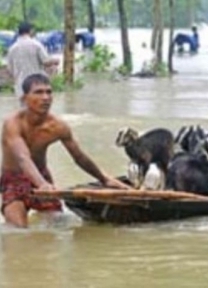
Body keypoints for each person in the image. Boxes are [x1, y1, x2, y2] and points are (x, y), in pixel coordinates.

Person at [1, 74, 130, 228]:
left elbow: (79, 157)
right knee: (19, 232)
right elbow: (23, 158)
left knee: (57, 226)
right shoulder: (12, 124)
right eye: (39, 92)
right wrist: (42, 185)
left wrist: (105, 179)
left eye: (49, 92)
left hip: (42, 175)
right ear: (24, 98)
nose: (46, 97)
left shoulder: (58, 126)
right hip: (14, 180)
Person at [7, 22, 59, 100]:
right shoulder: (36, 45)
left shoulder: (12, 48)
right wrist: (55, 61)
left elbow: (10, 70)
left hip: (20, 86)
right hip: (36, 84)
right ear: (30, 31)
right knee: (38, 109)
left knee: (24, 109)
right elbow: (46, 61)